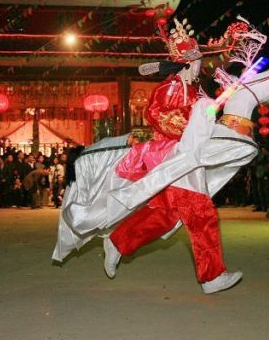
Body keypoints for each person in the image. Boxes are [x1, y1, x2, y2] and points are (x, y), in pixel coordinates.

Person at [102, 18, 246, 294]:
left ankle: (118, 241)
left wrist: (213, 114)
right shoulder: (170, 88)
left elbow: (201, 118)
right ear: (187, 63)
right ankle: (212, 276)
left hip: (186, 160)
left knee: (165, 216)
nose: (200, 67)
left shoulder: (191, 90)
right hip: (175, 161)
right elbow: (158, 115)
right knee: (201, 215)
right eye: (197, 63)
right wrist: (196, 121)